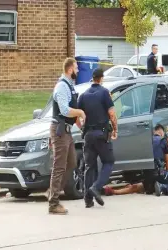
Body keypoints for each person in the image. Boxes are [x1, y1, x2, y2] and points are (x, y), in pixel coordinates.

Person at [49, 57, 86, 215]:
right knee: (59, 166)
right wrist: (80, 112)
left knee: (71, 162)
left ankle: (52, 191)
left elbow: (71, 111)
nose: (78, 71)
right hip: (60, 131)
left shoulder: (70, 87)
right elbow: (64, 110)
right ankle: (53, 202)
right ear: (70, 69)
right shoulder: (61, 87)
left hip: (67, 130)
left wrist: (80, 123)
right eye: (76, 68)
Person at [77, 68, 118, 208]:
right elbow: (112, 114)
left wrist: (82, 128)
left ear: (92, 78)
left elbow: (77, 116)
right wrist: (115, 130)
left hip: (88, 135)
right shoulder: (104, 93)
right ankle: (96, 187)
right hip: (101, 134)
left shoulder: (83, 95)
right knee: (109, 161)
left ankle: (88, 200)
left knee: (89, 166)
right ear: (101, 78)